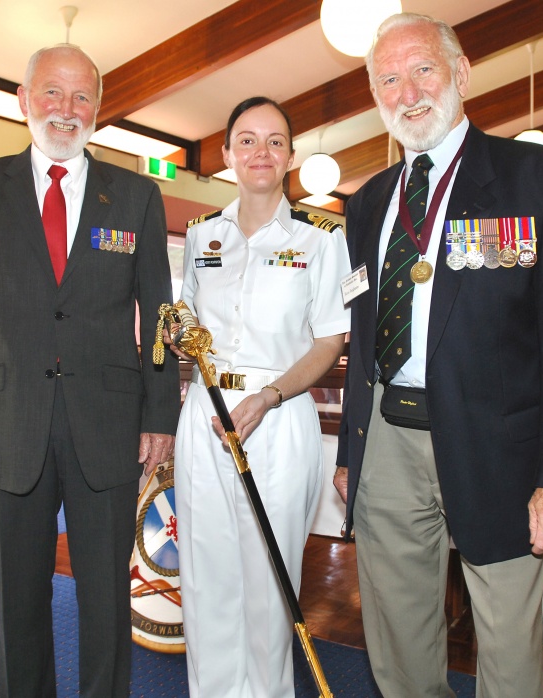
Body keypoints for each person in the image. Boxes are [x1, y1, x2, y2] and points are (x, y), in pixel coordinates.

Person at [334, 14, 543, 698]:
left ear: (460, 73)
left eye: (421, 69)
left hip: (498, 445)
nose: (407, 92)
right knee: (396, 641)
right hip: (386, 444)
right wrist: (349, 457)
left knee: (510, 654)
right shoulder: (365, 204)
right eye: (387, 79)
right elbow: (363, 331)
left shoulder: (535, 178)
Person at [0, 44, 180, 697]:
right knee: (18, 603)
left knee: (105, 601)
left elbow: (158, 314)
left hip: (109, 426)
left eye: (80, 97)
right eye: (51, 93)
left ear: (97, 109)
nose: (64, 110)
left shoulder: (135, 196)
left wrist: (160, 414)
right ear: (23, 99)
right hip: (5, 425)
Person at [172, 96, 351, 697]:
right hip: (206, 416)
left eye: (275, 141)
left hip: (277, 416)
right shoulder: (201, 235)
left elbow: (330, 340)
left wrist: (271, 394)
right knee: (206, 575)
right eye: (246, 140)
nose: (261, 152)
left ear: (291, 156)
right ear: (225, 153)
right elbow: (188, 325)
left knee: (270, 580)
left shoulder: (321, 237)